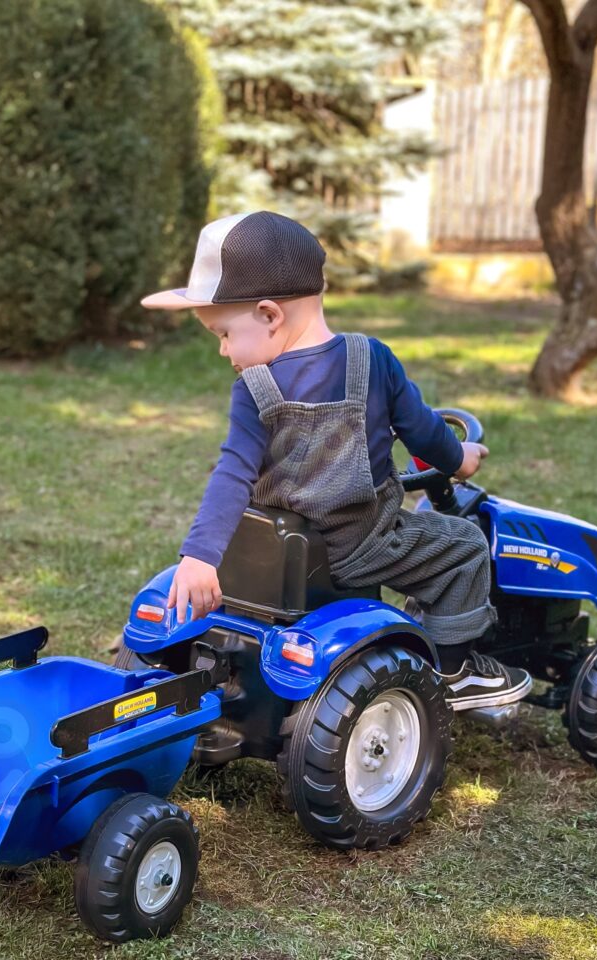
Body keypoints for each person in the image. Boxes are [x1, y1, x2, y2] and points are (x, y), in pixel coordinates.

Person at [141, 211, 531, 710]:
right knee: (464, 545)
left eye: (222, 334)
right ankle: (454, 672)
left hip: (277, 550)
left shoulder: (253, 390)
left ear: (269, 314)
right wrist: (460, 458)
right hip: (361, 543)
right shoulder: (374, 361)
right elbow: (424, 431)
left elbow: (233, 473)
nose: (223, 351)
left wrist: (199, 556)